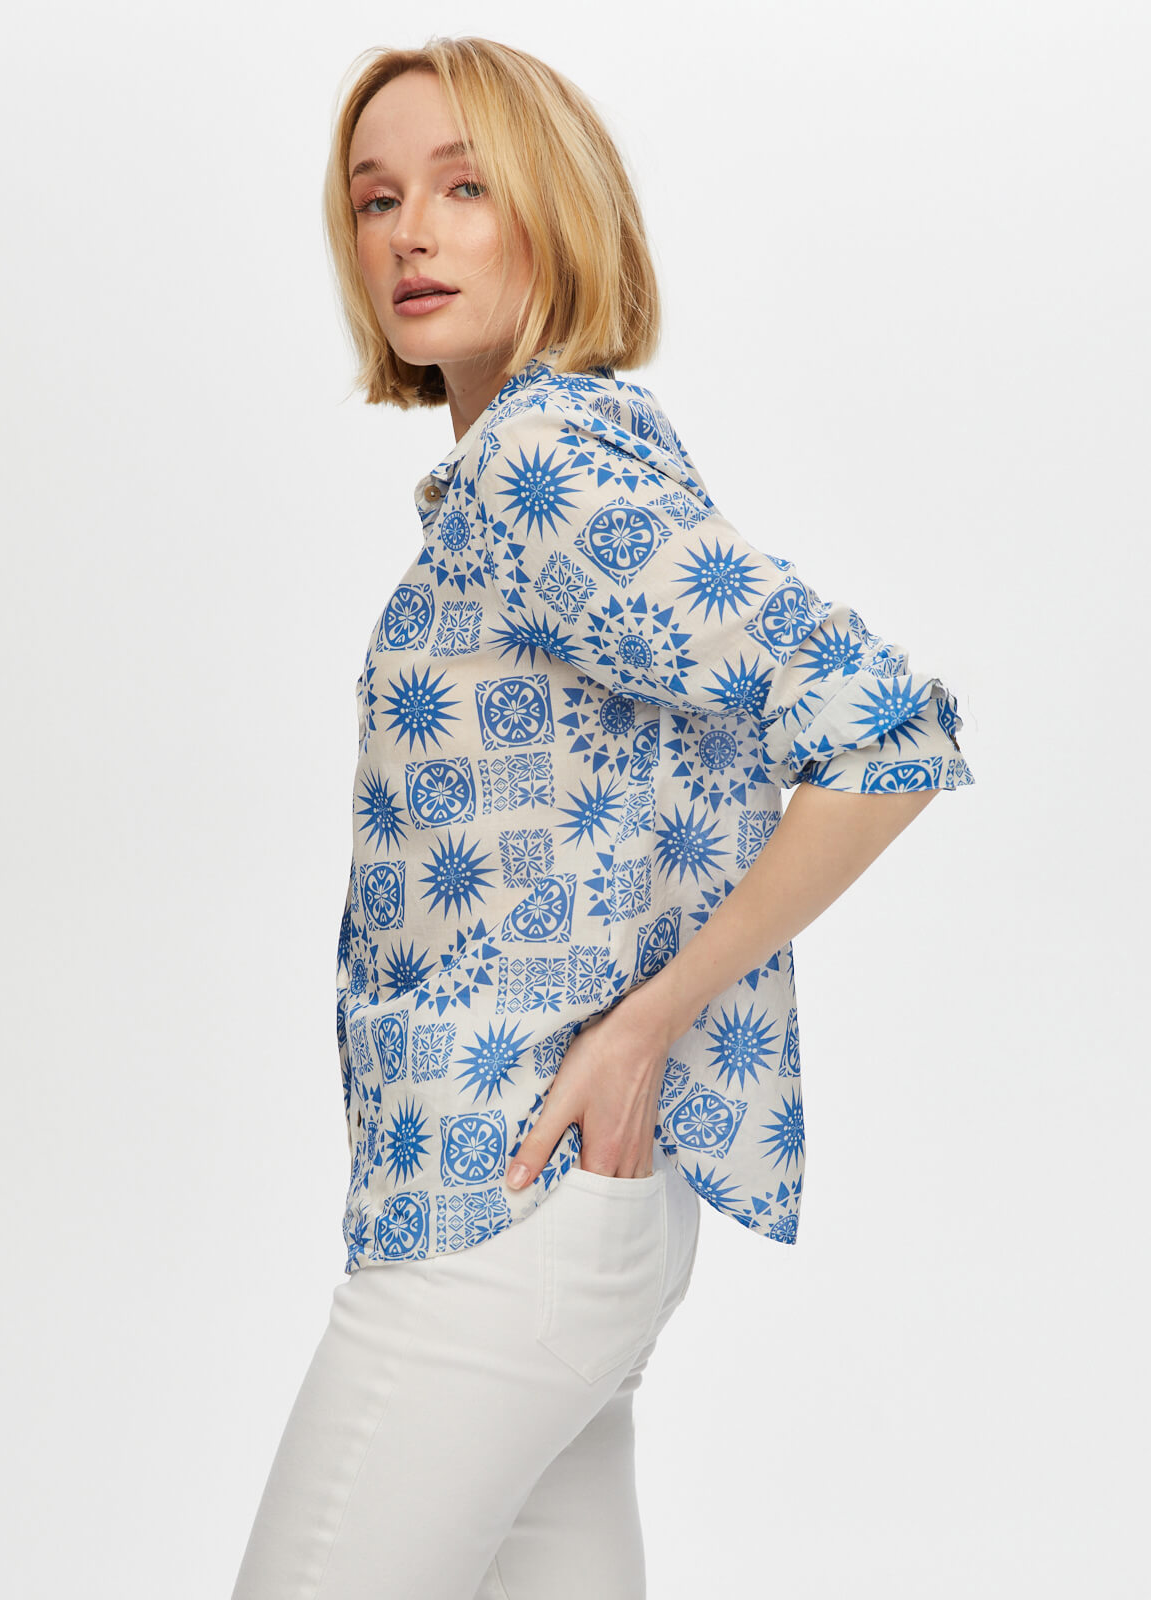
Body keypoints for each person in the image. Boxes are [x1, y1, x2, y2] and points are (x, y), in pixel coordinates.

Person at [230, 34, 975, 1600]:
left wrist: (647, 1025)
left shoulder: (544, 475)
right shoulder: (559, 464)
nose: (411, 235)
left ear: (555, 210)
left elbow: (885, 733)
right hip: (565, 1209)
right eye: (376, 199)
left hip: (491, 1211)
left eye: (464, 187)